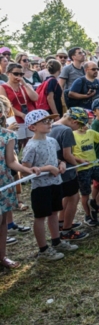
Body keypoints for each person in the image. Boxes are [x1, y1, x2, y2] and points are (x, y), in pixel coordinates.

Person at [22, 110, 78, 261]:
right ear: (32, 127)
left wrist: (62, 164)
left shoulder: (52, 141)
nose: (49, 124)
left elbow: (59, 159)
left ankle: (56, 241)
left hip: (55, 183)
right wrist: (47, 169)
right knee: (40, 217)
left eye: (49, 121)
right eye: (44, 122)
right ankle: (43, 250)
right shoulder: (31, 146)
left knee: (54, 212)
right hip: (41, 187)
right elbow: (25, 171)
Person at [0, 102, 37, 269]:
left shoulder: (8, 135)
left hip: (5, 182)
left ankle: (2, 256)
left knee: (2, 221)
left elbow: (11, 162)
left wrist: (27, 169)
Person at [49, 109, 89, 242]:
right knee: (74, 197)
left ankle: (61, 221)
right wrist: (77, 166)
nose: (79, 128)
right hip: (66, 169)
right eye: (79, 125)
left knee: (66, 196)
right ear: (73, 121)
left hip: (55, 169)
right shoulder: (66, 131)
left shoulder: (52, 126)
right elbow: (67, 155)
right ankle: (67, 230)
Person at [0, 62, 39, 144]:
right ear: (8, 73)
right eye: (16, 74)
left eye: (21, 74)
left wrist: (24, 84)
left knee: (31, 142)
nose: (19, 76)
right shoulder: (3, 87)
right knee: (18, 142)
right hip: (15, 119)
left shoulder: (25, 85)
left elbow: (35, 98)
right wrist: (21, 115)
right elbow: (6, 106)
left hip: (30, 119)